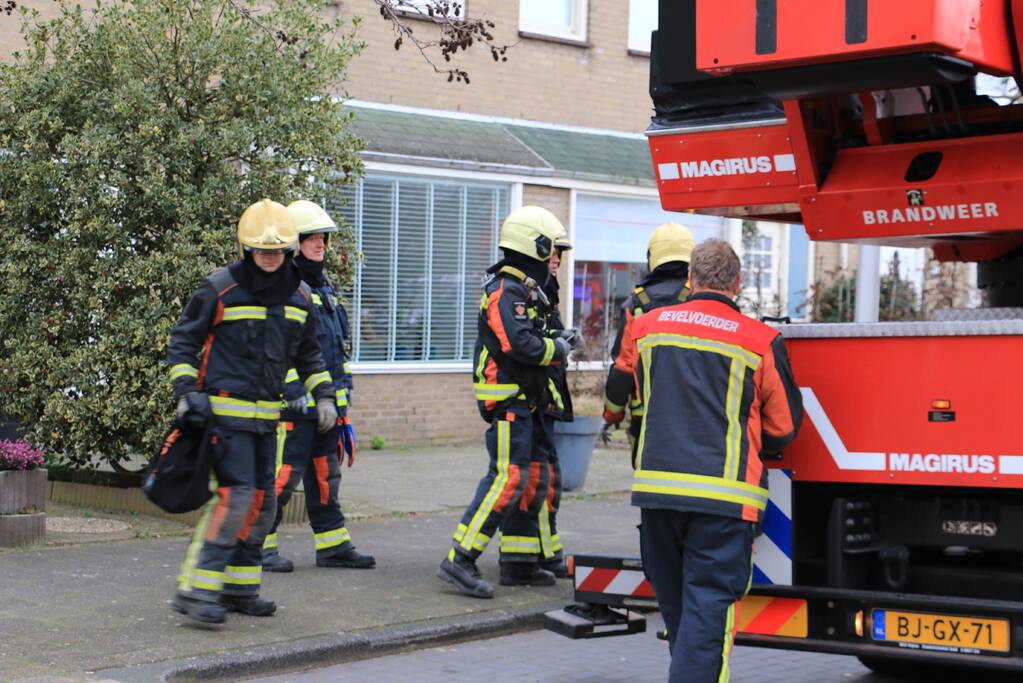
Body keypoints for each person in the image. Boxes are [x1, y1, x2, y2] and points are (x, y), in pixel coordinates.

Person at [626, 239, 803, 682]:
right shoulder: (760, 340)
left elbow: (640, 397)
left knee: (682, 621)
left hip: (658, 498)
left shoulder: (647, 329)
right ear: (737, 283)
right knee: (705, 626)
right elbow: (783, 427)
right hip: (724, 505)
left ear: (690, 280)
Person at [166, 199, 337, 625]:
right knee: (235, 498)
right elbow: (183, 342)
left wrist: (325, 396)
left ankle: (240, 588)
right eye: (262, 250)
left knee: (262, 504)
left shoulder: (299, 296)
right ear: (246, 248)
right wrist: (186, 392)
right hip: (224, 419)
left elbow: (309, 355)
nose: (270, 258)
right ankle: (195, 590)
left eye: (277, 251)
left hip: (266, 422)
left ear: (288, 250)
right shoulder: (220, 288)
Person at [438, 205, 572, 598]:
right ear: (536, 246)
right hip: (510, 403)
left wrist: (560, 340)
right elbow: (520, 344)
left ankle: (519, 561)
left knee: (535, 479)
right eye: (554, 250)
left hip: (529, 401)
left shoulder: (529, 290)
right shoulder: (505, 290)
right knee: (507, 477)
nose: (557, 258)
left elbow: (538, 337)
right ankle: (459, 558)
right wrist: (559, 349)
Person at [261, 200, 375, 573]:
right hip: (293, 409)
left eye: (323, 238)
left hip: (326, 406)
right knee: (282, 478)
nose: (320, 244)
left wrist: (343, 394)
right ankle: (258, 546)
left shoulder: (324, 288)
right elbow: (276, 350)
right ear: (293, 243)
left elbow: (336, 348)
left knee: (326, 476)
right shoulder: (282, 288)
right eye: (311, 237)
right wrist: (293, 393)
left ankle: (333, 546)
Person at [603, 222, 696, 467]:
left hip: (647, 419)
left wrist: (612, 414)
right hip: (694, 416)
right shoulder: (698, 298)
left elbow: (624, 366)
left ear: (652, 256)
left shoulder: (638, 303)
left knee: (650, 478)